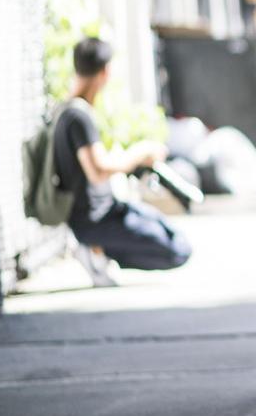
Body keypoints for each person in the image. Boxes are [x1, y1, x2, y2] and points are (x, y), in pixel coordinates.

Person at [55, 37, 191, 286]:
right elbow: (98, 170)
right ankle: (96, 250)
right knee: (177, 249)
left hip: (108, 210)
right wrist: (140, 153)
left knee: (172, 236)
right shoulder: (77, 116)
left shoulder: (70, 112)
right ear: (104, 72)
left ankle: (98, 250)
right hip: (96, 219)